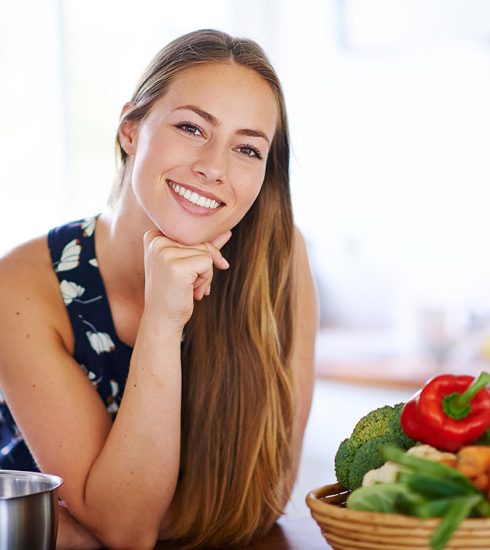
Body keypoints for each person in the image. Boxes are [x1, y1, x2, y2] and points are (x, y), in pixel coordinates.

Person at [0, 29, 317, 549]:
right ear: (131, 129)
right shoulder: (21, 287)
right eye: (192, 127)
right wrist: (163, 320)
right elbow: (127, 530)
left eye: (247, 149)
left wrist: (84, 528)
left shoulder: (277, 258)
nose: (214, 167)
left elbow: (264, 495)